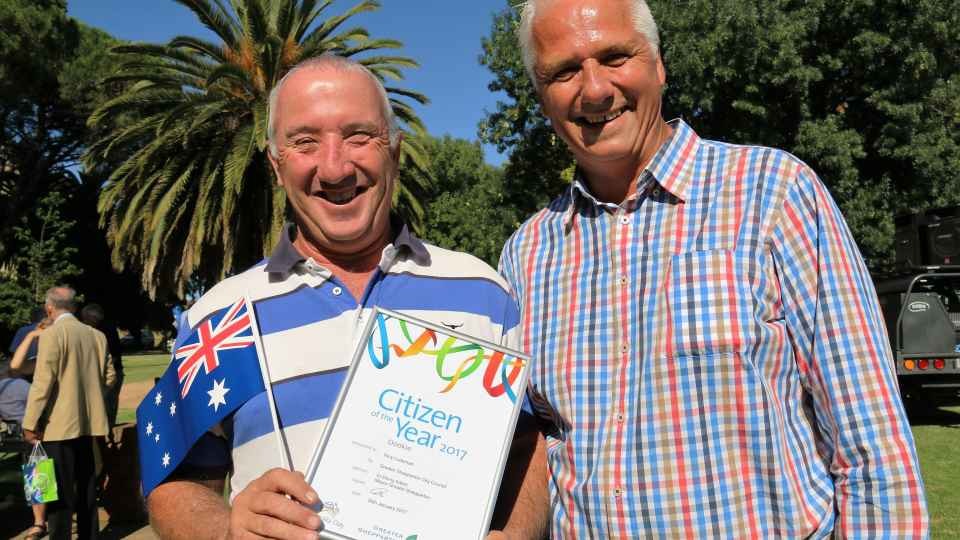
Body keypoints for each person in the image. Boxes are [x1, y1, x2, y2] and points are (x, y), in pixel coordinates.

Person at [498, 0, 929, 537]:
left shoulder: (773, 192)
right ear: (540, 95)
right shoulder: (526, 254)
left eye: (614, 57)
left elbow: (870, 438)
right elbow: (530, 444)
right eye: (564, 71)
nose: (595, 89)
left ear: (658, 65)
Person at [146, 55, 548, 540]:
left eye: (359, 136)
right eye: (304, 142)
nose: (334, 167)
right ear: (276, 166)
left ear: (394, 151)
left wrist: (513, 534)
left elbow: (526, 445)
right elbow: (176, 482)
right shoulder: (220, 318)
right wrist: (226, 532)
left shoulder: (483, 292)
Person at [22, 286, 117, 540]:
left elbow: (43, 383)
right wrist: (91, 398)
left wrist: (30, 422)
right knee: (87, 487)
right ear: (74, 307)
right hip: (89, 424)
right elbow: (110, 376)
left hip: (57, 425)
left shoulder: (52, 335)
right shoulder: (97, 336)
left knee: (60, 493)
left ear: (49, 308)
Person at [80, 303, 124, 427]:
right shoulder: (92, 330)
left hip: (109, 374)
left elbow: (113, 357)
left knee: (107, 409)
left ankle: (108, 432)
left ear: (93, 318)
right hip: (99, 373)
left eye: (85, 319)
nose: (83, 322)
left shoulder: (106, 331)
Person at [7, 307, 47, 381]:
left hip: (24, 370)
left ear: (32, 317)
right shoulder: (50, 329)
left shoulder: (22, 330)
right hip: (44, 369)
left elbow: (13, 351)